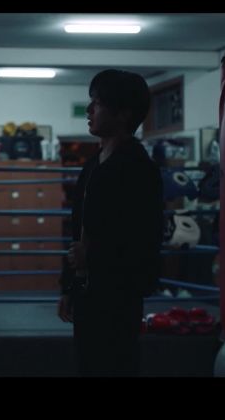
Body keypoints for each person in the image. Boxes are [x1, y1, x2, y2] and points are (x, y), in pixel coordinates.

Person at [57, 69, 164, 377]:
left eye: (98, 103)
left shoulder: (139, 169)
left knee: (116, 366)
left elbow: (144, 240)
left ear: (123, 113)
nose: (89, 110)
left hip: (118, 295)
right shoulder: (93, 165)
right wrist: (69, 286)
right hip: (87, 293)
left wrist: (93, 257)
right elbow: (78, 231)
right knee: (88, 365)